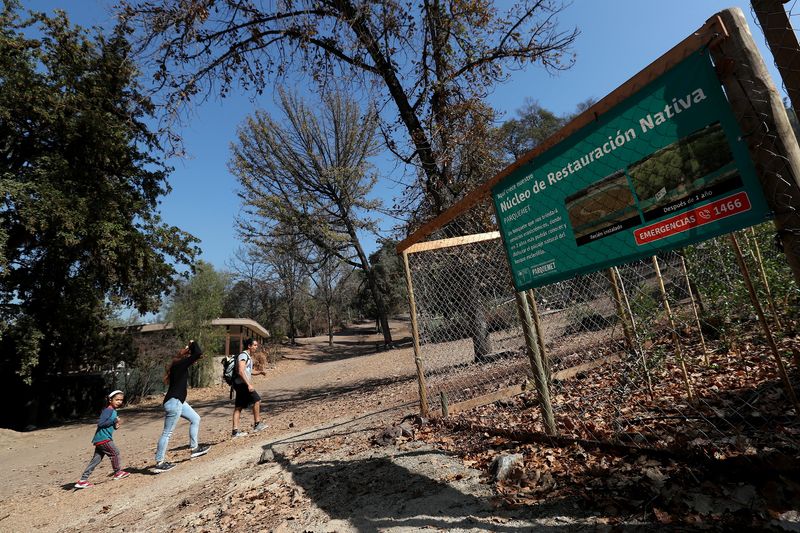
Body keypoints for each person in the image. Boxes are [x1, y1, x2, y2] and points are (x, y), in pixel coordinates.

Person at [153, 340, 211, 473]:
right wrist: (193, 343)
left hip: (179, 402)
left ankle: (195, 449)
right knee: (167, 433)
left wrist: (190, 350)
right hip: (174, 403)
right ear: (185, 356)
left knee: (195, 418)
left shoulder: (178, 365)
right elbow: (198, 353)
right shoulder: (180, 364)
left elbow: (197, 356)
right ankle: (159, 462)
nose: (193, 361)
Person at [74, 390, 129, 488]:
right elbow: (101, 423)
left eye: (121, 400)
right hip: (104, 439)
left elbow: (109, 424)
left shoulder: (113, 411)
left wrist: (116, 425)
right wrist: (114, 420)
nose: (119, 402)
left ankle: (82, 480)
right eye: (117, 400)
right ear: (110, 400)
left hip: (101, 439)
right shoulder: (108, 410)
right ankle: (118, 472)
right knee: (115, 453)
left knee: (96, 460)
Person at [231, 338, 268, 437]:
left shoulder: (247, 356)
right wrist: (248, 384)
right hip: (242, 384)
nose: (256, 347)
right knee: (257, 400)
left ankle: (235, 432)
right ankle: (257, 424)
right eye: (255, 345)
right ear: (249, 346)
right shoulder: (243, 355)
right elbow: (241, 371)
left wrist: (260, 372)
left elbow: (249, 371)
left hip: (239, 384)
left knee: (238, 407)